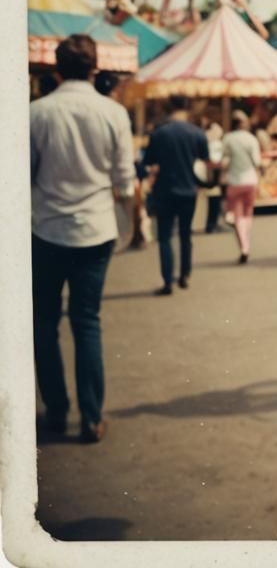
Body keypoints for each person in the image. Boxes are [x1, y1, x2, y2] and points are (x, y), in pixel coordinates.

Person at [30, 34, 136, 443]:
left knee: (45, 323)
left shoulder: (37, 113)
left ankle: (56, 409)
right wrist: (132, 224)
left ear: (56, 70)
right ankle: (92, 417)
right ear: (95, 69)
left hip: (47, 230)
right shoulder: (113, 113)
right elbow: (124, 181)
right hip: (96, 230)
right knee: (87, 321)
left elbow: (25, 176)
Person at [143, 95, 209, 294]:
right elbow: (204, 161)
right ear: (187, 107)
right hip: (189, 190)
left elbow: (149, 161)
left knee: (164, 236)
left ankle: (167, 280)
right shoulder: (197, 133)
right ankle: (185, 274)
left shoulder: (159, 133)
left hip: (165, 189)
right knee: (185, 233)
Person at [220, 110, 264, 264]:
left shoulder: (228, 139)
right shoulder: (251, 139)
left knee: (237, 215)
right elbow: (257, 161)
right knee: (248, 214)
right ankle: (247, 242)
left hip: (234, 181)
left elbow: (223, 160)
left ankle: (244, 247)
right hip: (250, 180)